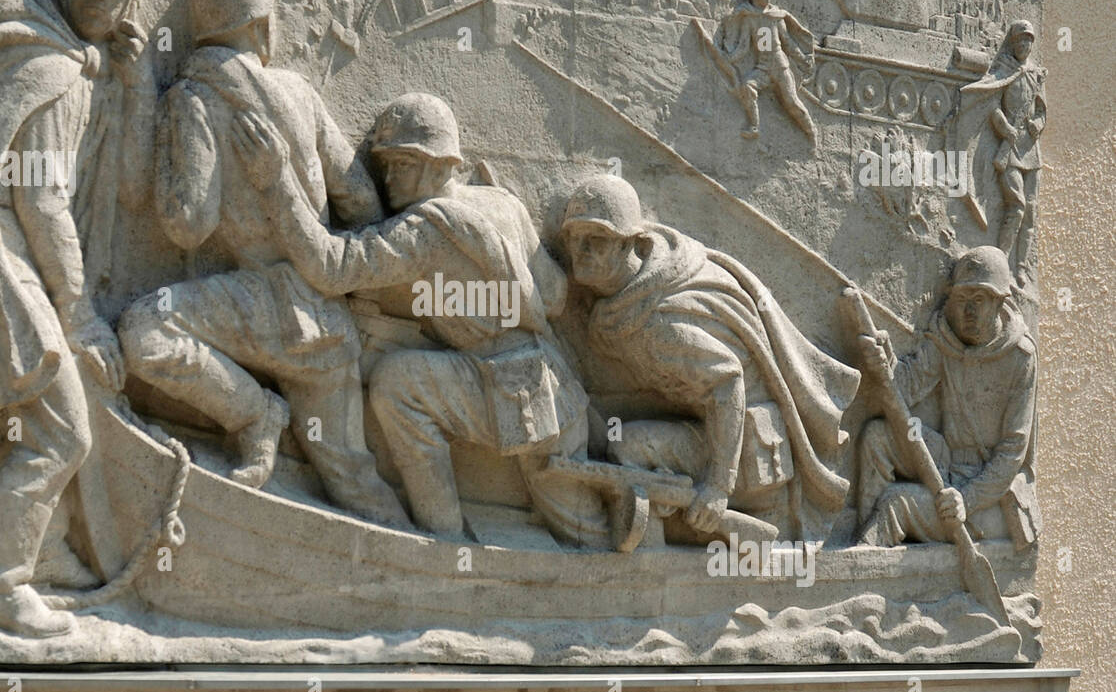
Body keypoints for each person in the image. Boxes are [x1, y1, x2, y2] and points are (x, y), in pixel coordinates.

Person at [235, 93, 611, 546]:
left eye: (405, 164)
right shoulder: (501, 202)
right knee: (586, 534)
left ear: (441, 166)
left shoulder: (427, 229)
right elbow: (552, 297)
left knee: (399, 383)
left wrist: (276, 184)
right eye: (388, 164)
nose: (390, 177)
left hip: (509, 395)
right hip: (554, 386)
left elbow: (333, 267)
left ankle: (443, 535)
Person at [117, 0, 407, 528]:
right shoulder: (300, 93)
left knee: (145, 330)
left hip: (257, 307)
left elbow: (188, 224)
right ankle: (419, 569)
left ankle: (254, 414)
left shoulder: (192, 99)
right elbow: (362, 201)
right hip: (326, 327)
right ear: (260, 24)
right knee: (352, 477)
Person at [0, 0, 154, 636]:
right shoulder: (47, 67)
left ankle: (46, 550)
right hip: (11, 263)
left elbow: (124, 188)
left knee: (57, 415)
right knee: (61, 431)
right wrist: (79, 314)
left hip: (6, 256)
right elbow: (41, 201)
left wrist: (119, 76)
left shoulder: (45, 53)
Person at [558, 174, 859, 542]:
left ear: (630, 245)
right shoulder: (647, 281)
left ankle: (665, 532)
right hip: (707, 428)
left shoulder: (660, 320)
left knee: (625, 447)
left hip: (748, 452)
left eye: (597, 240)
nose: (580, 250)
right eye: (574, 237)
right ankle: (668, 498)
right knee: (619, 439)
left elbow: (727, 380)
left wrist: (717, 487)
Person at [855, 246, 1038, 548]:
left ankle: (867, 556)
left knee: (895, 503)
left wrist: (966, 499)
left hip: (987, 495)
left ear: (999, 302)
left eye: (979, 300)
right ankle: (867, 537)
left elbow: (1012, 452)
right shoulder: (947, 338)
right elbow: (907, 387)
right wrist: (885, 361)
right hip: (945, 458)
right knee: (877, 436)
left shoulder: (1020, 358)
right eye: (962, 299)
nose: (968, 311)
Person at [954, 20, 1045, 293]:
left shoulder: (1035, 74)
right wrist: (1005, 130)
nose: (1024, 46)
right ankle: (1002, 263)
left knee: (1030, 212)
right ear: (1012, 43)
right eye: (1020, 41)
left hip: (1031, 151)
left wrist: (1037, 125)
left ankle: (1021, 268)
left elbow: (1041, 109)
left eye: (1028, 41)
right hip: (1010, 149)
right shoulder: (1003, 70)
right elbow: (991, 105)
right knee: (1016, 206)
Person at [718, 0, 817, 143]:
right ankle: (754, 127)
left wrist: (801, 58)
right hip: (763, 67)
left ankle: (811, 132)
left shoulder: (775, 16)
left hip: (780, 66)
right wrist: (729, 58)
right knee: (747, 87)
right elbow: (743, 46)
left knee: (791, 102)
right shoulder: (749, 18)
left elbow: (787, 42)